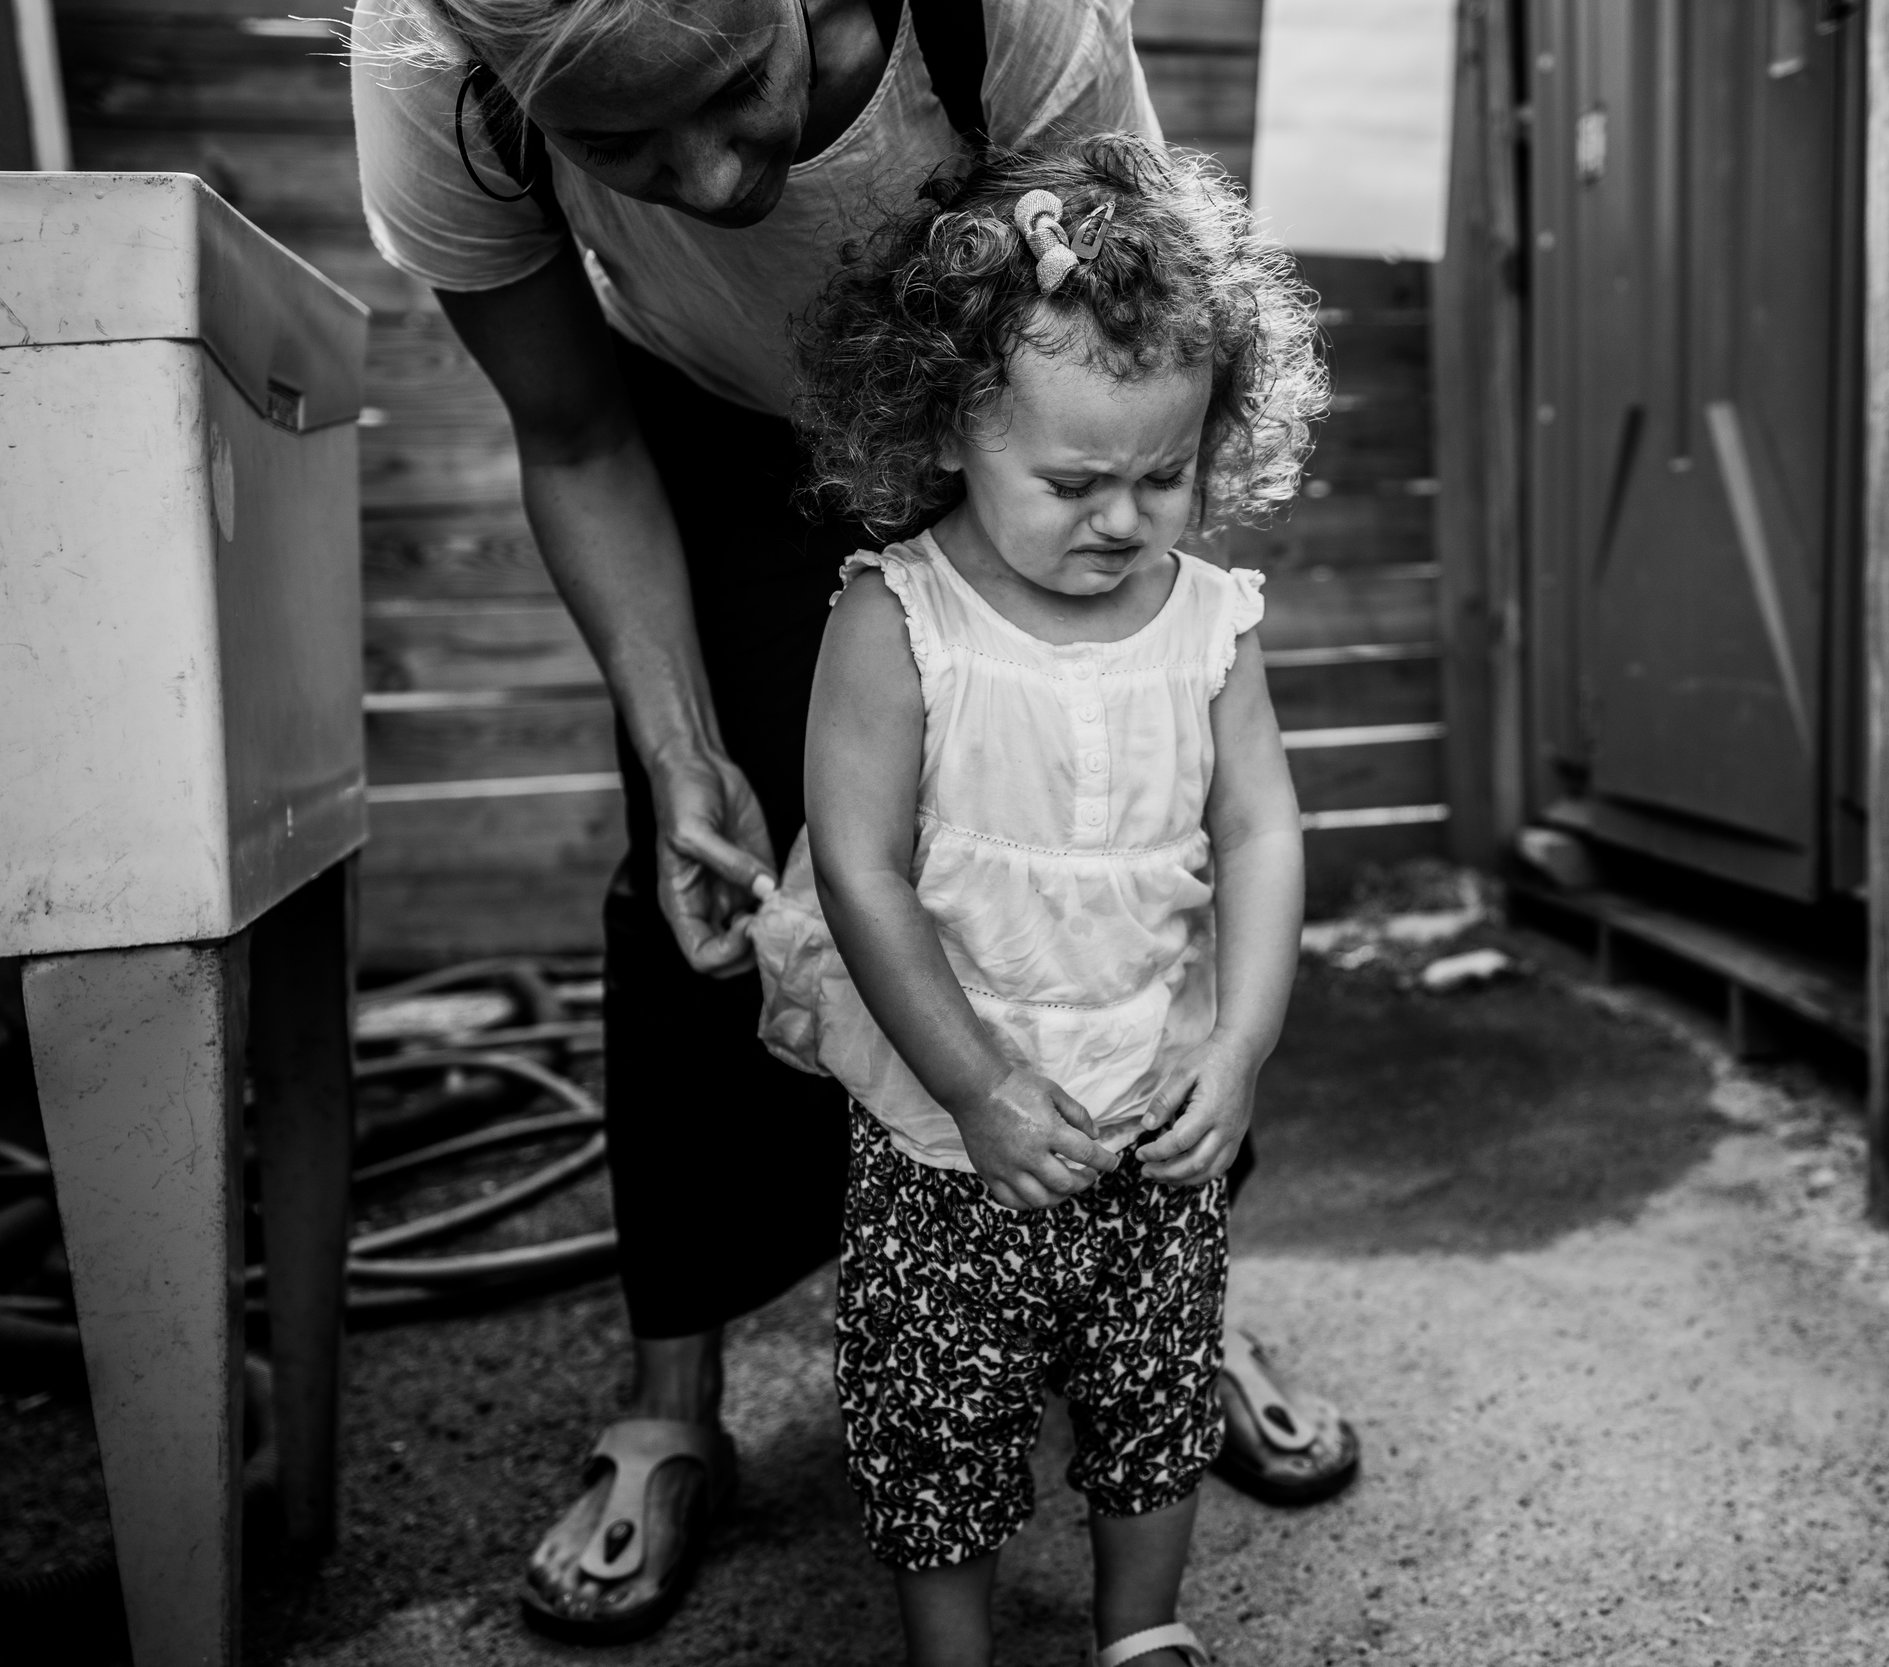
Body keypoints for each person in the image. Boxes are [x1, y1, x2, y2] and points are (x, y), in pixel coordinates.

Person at [347, 0, 1353, 1643]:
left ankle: (1163, 1316)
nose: (712, 173)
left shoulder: (1008, 23)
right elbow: (578, 430)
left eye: (737, 90)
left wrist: (1105, 522)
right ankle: (674, 1400)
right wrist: (679, 745)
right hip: (703, 423)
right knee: (727, 878)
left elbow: (1126, 329)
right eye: (620, 142)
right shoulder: (432, 88)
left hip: (1028, 389)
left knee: (1121, 840)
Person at [745, 133, 1320, 1667]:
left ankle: (1145, 1634)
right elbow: (858, 868)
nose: (1125, 520)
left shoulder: (1211, 621)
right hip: (951, 1138)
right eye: (1073, 481)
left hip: (1152, 1105)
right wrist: (979, 1086)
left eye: (1165, 473)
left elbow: (1260, 827)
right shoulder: (896, 619)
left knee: (1156, 1387)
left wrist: (1243, 1046)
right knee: (938, 1414)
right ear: (950, 429)